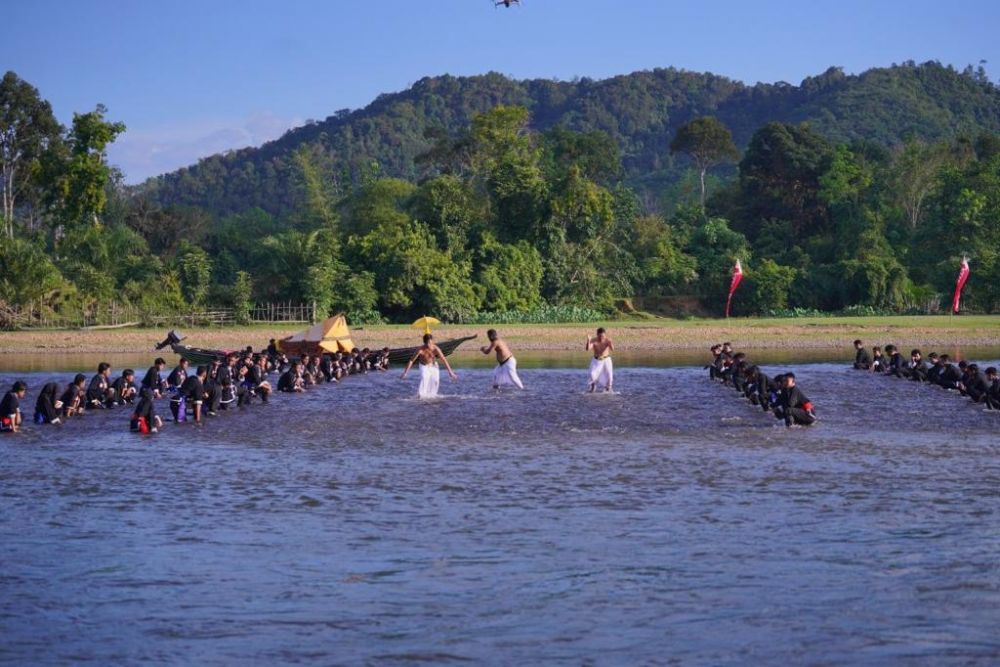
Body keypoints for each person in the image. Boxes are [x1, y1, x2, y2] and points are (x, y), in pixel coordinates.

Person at [401, 333, 458, 398]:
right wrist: (405, 373)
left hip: (434, 366)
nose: (429, 345)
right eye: (427, 343)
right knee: (424, 378)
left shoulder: (436, 348)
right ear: (424, 343)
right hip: (424, 366)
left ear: (432, 341)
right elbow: (411, 361)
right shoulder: (420, 350)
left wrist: (450, 372)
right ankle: (421, 395)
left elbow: (443, 360)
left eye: (430, 343)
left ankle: (432, 395)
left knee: (436, 381)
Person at [585, 327, 614, 393]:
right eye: (600, 336)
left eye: (603, 336)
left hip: (606, 359)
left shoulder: (607, 340)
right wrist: (588, 341)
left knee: (609, 375)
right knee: (592, 375)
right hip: (596, 360)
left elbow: (612, 349)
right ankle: (593, 387)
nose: (601, 337)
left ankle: (608, 389)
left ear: (605, 335)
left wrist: (611, 343)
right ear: (597, 334)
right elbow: (587, 349)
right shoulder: (593, 340)